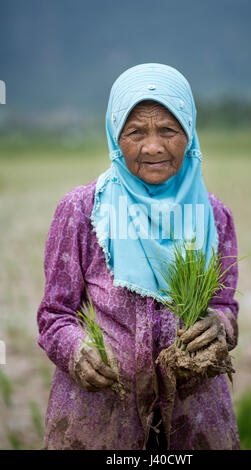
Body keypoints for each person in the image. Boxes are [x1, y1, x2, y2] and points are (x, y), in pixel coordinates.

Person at [37, 63, 240, 450]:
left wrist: (220, 326)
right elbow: (54, 315)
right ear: (116, 137)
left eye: (168, 129)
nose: (153, 146)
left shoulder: (213, 215)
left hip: (194, 418)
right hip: (99, 417)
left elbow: (224, 305)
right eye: (135, 132)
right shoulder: (82, 210)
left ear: (189, 133)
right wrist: (77, 351)